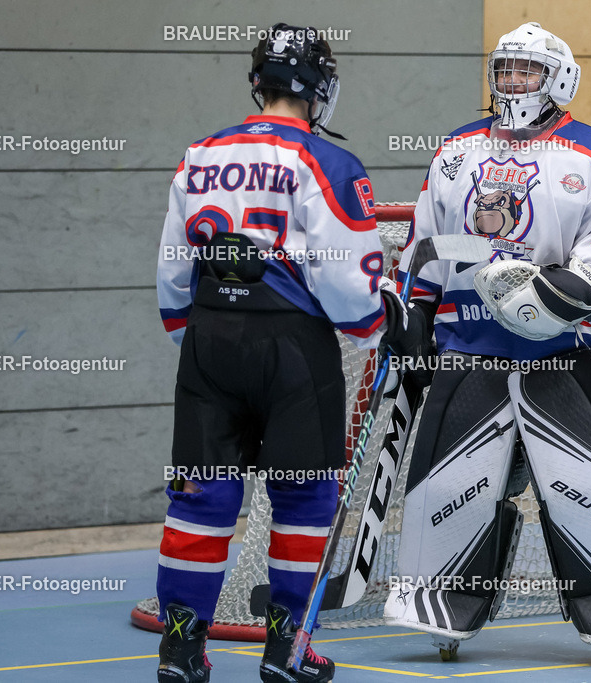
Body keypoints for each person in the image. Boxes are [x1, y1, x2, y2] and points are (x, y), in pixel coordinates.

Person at [383, 22, 591, 665]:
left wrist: (551, 295)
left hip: (565, 355)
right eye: (505, 70)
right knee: (456, 488)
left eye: (528, 70)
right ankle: (443, 611)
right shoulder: (455, 151)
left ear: (559, 78)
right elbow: (428, 242)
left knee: (582, 489)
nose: (513, 82)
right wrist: (416, 311)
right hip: (469, 347)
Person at [154, 22, 408, 683]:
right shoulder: (329, 163)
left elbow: (173, 269)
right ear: (319, 88)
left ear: (257, 81)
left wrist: (197, 338)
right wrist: (379, 318)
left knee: (199, 497)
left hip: (209, 341)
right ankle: (287, 652)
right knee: (303, 497)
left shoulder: (201, 153)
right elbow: (347, 286)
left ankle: (180, 652)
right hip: (292, 350)